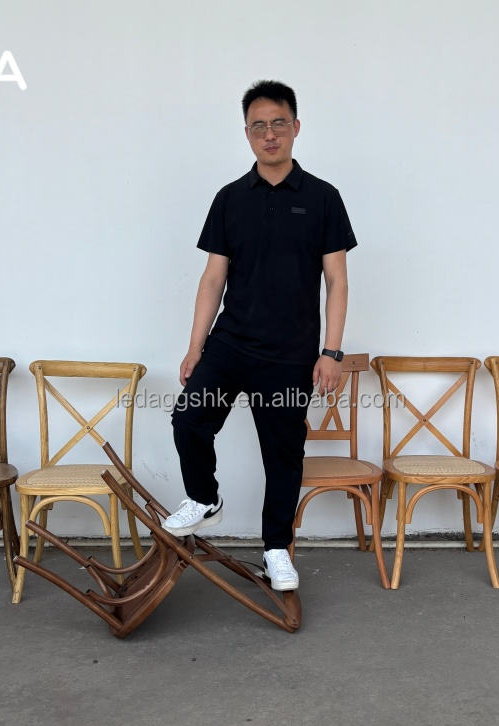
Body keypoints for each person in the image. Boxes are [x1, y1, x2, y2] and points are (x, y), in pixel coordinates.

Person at [163, 80, 357, 591]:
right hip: (230, 344)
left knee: (283, 456)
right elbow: (213, 279)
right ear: (247, 134)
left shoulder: (323, 198)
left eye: (278, 124)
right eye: (258, 126)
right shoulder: (230, 199)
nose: (269, 134)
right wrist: (195, 347)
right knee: (189, 420)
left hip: (291, 353)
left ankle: (275, 551)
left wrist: (331, 352)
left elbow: (336, 281)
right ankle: (204, 498)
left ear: (295, 127)